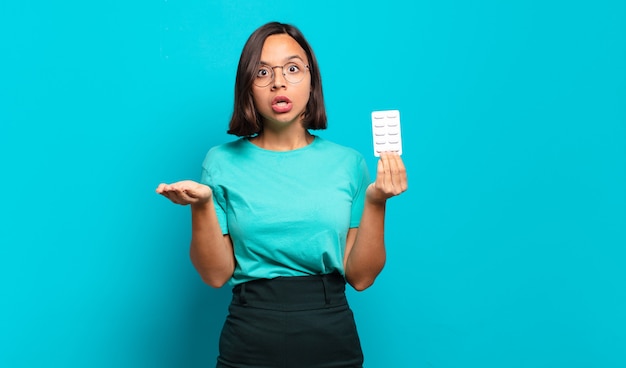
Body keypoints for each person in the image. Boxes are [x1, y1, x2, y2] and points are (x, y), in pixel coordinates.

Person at [156, 21, 408, 368]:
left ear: (311, 79)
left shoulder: (349, 163)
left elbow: (361, 277)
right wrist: (201, 206)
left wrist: (377, 201)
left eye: (292, 68)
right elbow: (216, 275)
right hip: (249, 333)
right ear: (247, 85)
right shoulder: (220, 162)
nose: (279, 82)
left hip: (330, 333)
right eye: (262, 72)